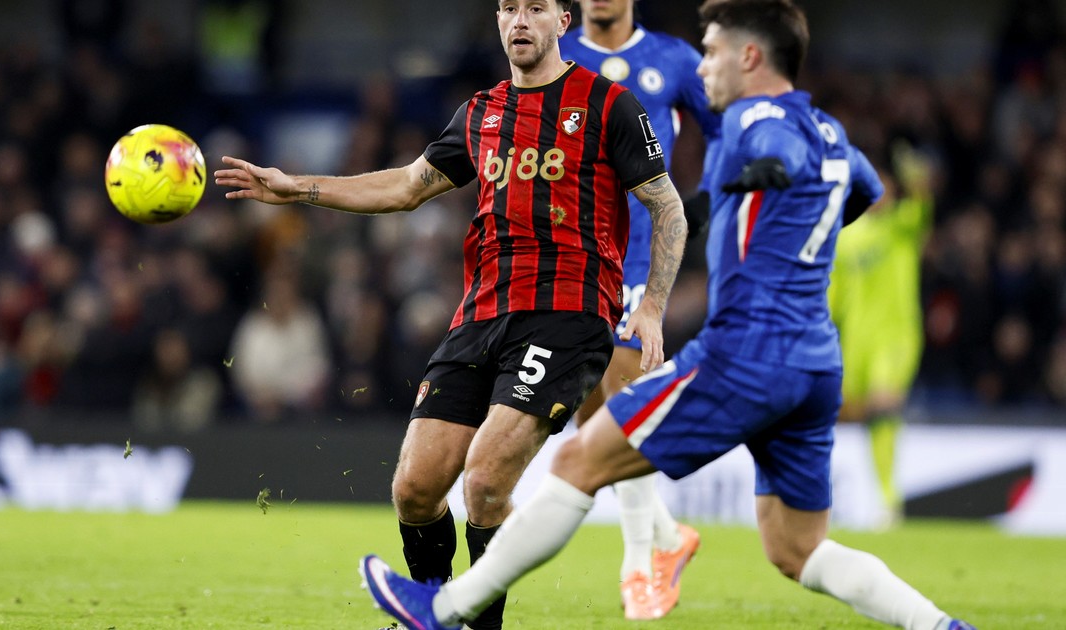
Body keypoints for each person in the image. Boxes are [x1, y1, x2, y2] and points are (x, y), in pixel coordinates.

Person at [357, 2, 977, 629]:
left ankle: (446, 607)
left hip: (744, 355)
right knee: (798, 549)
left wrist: (773, 174)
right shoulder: (830, 131)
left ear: (750, 58)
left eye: (713, 53)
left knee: (577, 463)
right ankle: (939, 625)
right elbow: (865, 191)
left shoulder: (754, 119)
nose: (702, 67)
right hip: (814, 361)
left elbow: (776, 148)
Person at [215, 0, 687, 627]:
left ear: (562, 22)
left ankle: (467, 620)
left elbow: (667, 207)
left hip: (568, 314)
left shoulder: (608, 104)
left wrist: (652, 305)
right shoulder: (482, 112)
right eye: (509, 8)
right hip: (481, 314)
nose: (520, 20)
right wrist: (297, 187)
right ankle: (432, 613)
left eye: (536, 8)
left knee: (485, 483)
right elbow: (407, 186)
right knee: (414, 490)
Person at [558, 0, 720, 618]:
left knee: (623, 392)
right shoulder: (557, 54)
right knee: (590, 415)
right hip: (571, 253)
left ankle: (639, 567)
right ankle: (670, 536)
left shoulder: (673, 59)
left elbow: (727, 127)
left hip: (639, 254)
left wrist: (705, 200)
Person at [828, 140, 934, 529]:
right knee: (847, 414)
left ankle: (889, 501)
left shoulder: (901, 227)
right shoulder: (845, 239)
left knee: (883, 408)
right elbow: (832, 297)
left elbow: (922, 206)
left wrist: (916, 177)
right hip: (855, 343)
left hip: (896, 337)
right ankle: (822, 497)